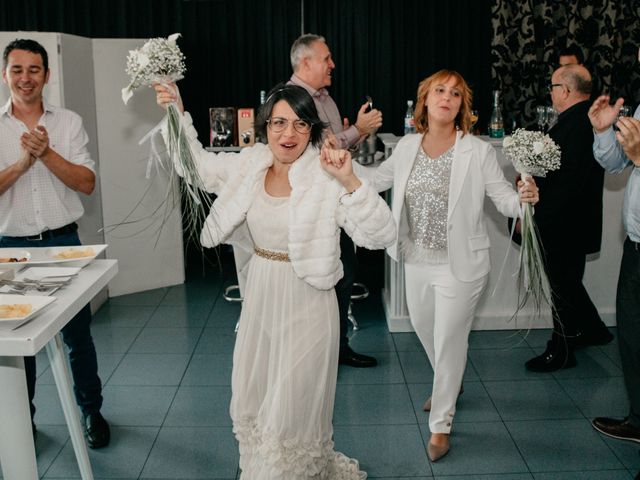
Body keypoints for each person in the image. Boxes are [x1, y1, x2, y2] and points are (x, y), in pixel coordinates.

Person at [154, 82, 395, 478]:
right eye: (280, 122)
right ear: (265, 125)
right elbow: (193, 165)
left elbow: (382, 235)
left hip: (309, 303)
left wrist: (351, 181)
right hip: (261, 298)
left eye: (300, 124)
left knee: (292, 409)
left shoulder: (326, 173)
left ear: (313, 130)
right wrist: (176, 112)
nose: (288, 134)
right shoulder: (249, 164)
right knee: (256, 398)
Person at [355, 69, 539, 461]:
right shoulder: (406, 147)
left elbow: (504, 200)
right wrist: (341, 167)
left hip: (463, 266)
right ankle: (448, 383)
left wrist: (524, 196)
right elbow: (374, 181)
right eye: (439, 90)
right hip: (416, 258)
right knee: (426, 331)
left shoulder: (478, 151)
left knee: (450, 339)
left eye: (455, 94)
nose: (447, 97)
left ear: (461, 106)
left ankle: (441, 425)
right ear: (424, 100)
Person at [0, 39, 109, 448]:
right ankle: (21, 424)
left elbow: (87, 183)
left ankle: (91, 412)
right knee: (17, 343)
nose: (25, 78)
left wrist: (46, 154)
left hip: (64, 243)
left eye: (33, 69)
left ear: (47, 74)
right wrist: (21, 164)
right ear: (4, 74)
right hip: (10, 247)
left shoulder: (68, 122)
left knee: (77, 336)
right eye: (17, 69)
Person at [288, 33, 383, 368]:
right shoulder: (291, 99)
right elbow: (312, 152)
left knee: (343, 272)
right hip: (308, 209)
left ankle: (336, 348)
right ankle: (317, 353)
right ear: (306, 62)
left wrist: (355, 134)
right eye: (326, 58)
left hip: (333, 205)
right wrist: (357, 128)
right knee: (321, 279)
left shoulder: (325, 98)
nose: (333, 64)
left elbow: (334, 149)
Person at [524, 64, 612, 373]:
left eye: (552, 87)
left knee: (561, 285)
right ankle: (594, 329)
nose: (550, 93)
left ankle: (561, 350)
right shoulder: (583, 120)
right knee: (569, 281)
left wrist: (537, 215)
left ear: (566, 91)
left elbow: (568, 182)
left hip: (564, 222)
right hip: (576, 220)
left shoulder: (577, 124)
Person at [587, 49, 640, 445]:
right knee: (633, 338)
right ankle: (638, 420)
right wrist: (604, 131)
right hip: (636, 243)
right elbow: (618, 164)